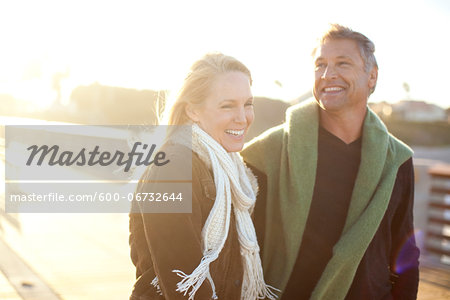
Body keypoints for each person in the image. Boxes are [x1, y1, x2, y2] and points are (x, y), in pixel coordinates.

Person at [242, 24, 420, 300]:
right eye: (320, 65)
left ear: (371, 76)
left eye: (342, 63)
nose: (327, 75)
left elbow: (404, 252)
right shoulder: (268, 151)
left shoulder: (396, 160)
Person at [129, 53, 277, 299]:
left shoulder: (230, 167)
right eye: (227, 105)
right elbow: (183, 283)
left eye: (247, 104)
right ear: (193, 111)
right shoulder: (173, 168)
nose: (243, 117)